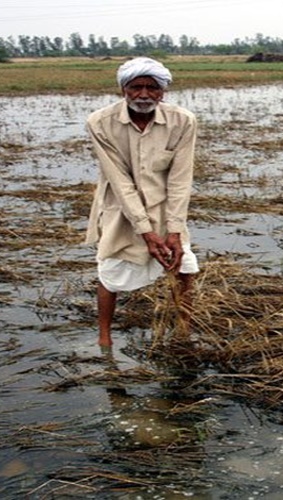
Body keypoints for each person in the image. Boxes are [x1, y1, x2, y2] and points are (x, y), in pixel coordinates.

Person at [85, 57, 199, 347]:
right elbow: (120, 181)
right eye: (136, 87)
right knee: (110, 271)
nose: (144, 95)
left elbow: (180, 179)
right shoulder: (100, 122)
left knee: (182, 267)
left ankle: (183, 331)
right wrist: (145, 231)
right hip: (120, 209)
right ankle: (104, 339)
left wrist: (173, 230)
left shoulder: (182, 121)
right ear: (124, 88)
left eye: (152, 88)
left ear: (163, 92)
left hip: (166, 207)